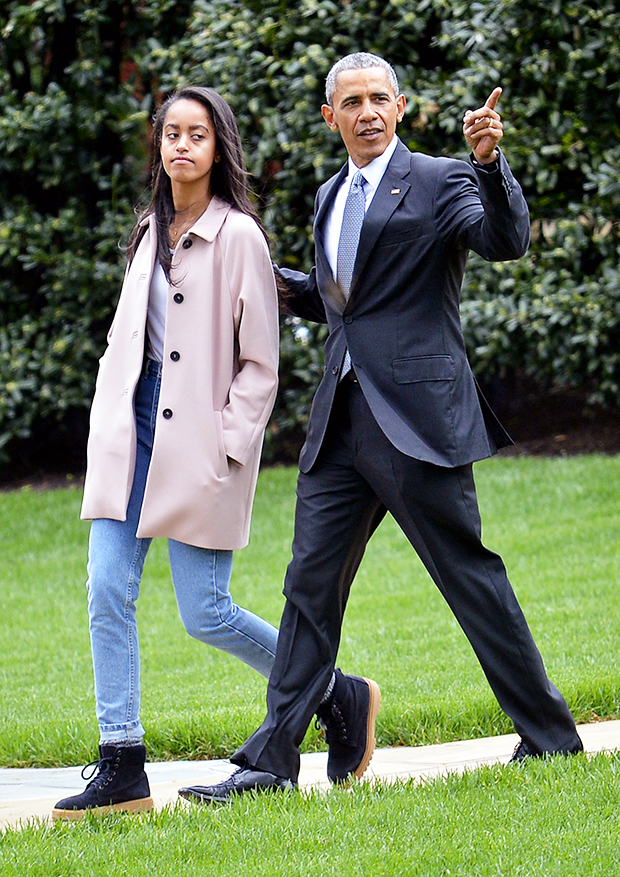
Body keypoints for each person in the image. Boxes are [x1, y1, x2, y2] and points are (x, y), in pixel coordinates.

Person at [178, 53, 583, 805]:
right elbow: (344, 305)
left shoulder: (439, 180)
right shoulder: (331, 194)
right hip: (341, 425)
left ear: (402, 107)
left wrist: (490, 165)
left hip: (419, 423)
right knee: (308, 588)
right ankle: (269, 762)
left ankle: (552, 736)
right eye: (351, 102)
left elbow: (505, 239)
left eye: (379, 99)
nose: (367, 112)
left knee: (470, 579)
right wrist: (263, 279)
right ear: (330, 117)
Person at [52, 86, 283, 820]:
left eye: (198, 135)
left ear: (219, 148)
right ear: (159, 145)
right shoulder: (150, 228)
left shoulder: (240, 235)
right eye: (172, 134)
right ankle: (121, 760)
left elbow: (261, 365)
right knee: (106, 588)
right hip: (135, 431)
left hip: (200, 438)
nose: (182, 145)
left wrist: (230, 443)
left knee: (204, 611)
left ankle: (329, 690)